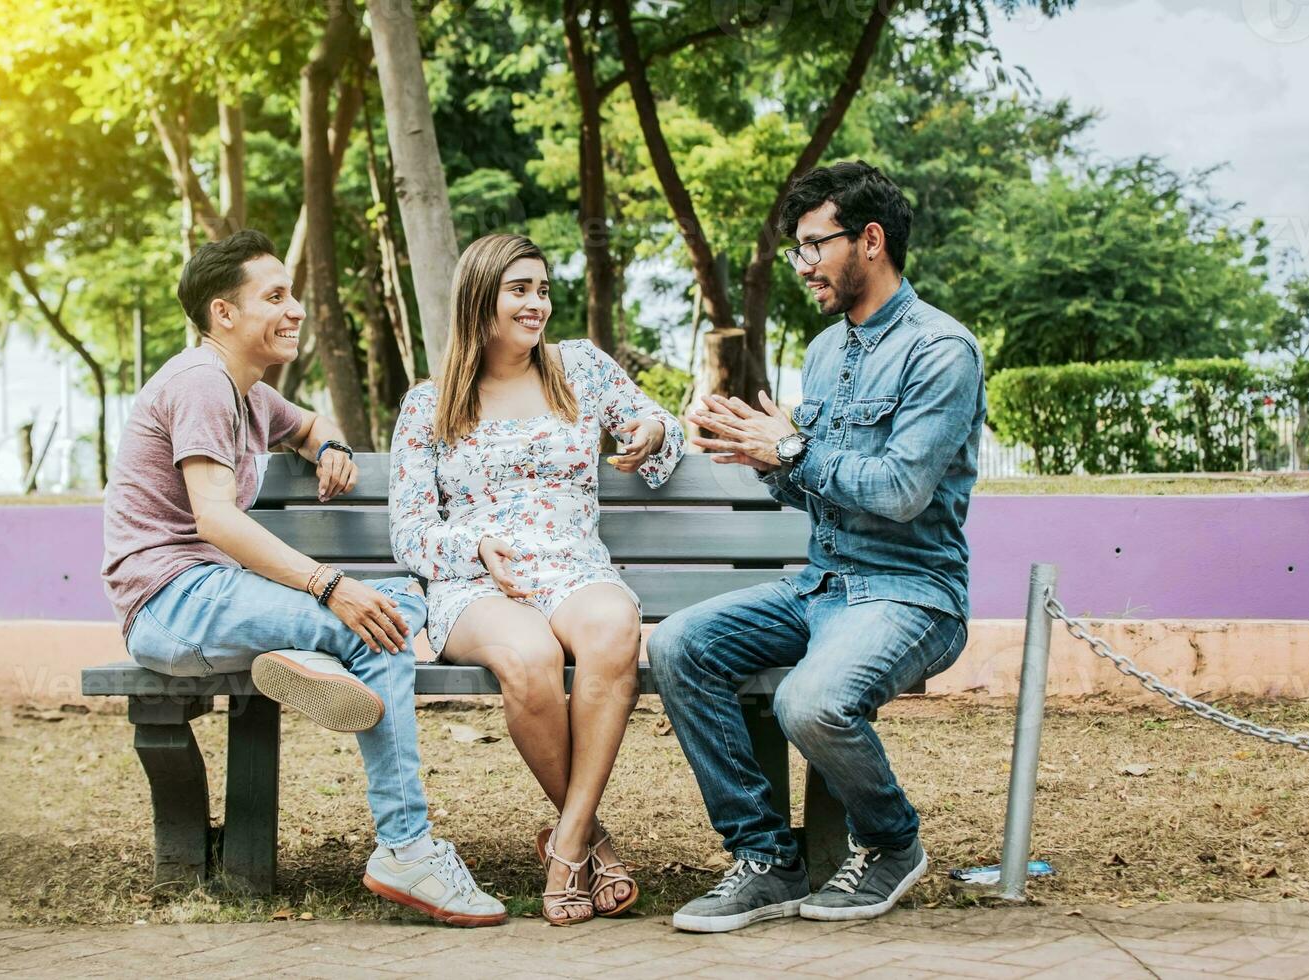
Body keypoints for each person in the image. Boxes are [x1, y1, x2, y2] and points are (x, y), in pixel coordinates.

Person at [100, 229, 504, 928]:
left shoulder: (248, 394)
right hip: (173, 600)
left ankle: (308, 656)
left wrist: (331, 445)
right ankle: (407, 847)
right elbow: (217, 520)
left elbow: (307, 424)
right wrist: (329, 586)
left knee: (394, 604)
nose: (294, 310)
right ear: (223, 314)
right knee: (380, 624)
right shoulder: (200, 382)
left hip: (211, 597)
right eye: (275, 297)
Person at [649, 162, 986, 932]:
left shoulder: (942, 351)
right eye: (797, 250)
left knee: (811, 701)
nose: (802, 266)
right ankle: (768, 860)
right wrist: (758, 456)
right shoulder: (827, 351)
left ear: (870, 241)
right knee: (679, 646)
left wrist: (793, 452)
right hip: (824, 585)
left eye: (813, 246)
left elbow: (900, 491)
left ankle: (892, 843)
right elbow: (817, 483)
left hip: (912, 593)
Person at [389, 233, 685, 925]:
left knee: (615, 630)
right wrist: (473, 545)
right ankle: (594, 843)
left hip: (575, 566)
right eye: (519, 289)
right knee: (530, 658)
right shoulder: (429, 405)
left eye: (543, 289)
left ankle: (569, 842)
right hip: (478, 581)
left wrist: (647, 430)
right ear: (479, 296)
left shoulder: (579, 367)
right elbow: (408, 530)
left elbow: (657, 421)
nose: (537, 304)